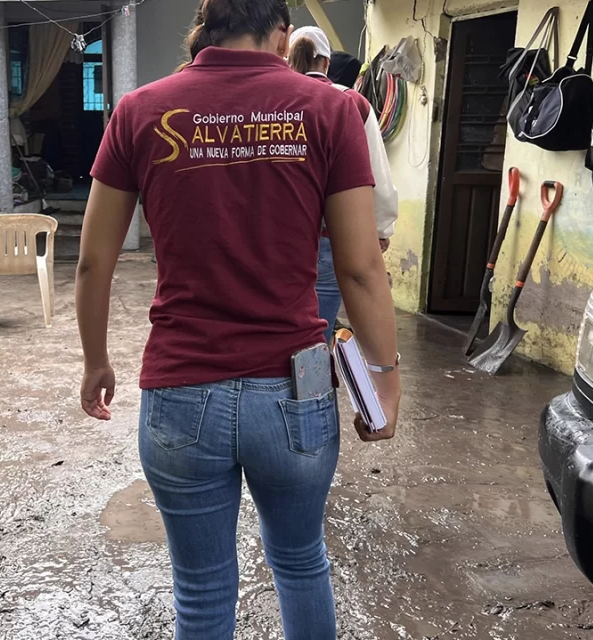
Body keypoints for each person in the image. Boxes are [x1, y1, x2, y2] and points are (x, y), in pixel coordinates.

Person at [75, 0, 401, 637]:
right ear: (282, 35)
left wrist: (95, 361)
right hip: (296, 388)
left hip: (179, 387)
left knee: (201, 589)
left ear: (207, 29)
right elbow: (362, 268)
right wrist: (383, 378)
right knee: (301, 562)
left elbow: (92, 262)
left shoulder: (140, 111)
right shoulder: (330, 109)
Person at [287, 27, 399, 345]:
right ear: (326, 62)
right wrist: (381, 228)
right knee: (317, 337)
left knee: (278, 331)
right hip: (334, 239)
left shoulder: (273, 101)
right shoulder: (351, 103)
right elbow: (375, 172)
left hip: (279, 242)